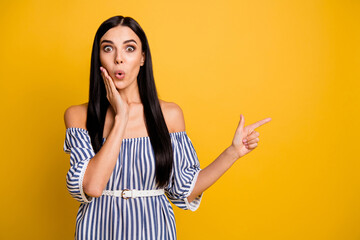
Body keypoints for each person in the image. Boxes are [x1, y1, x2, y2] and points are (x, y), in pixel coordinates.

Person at [63, 15, 271, 240]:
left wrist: (233, 152)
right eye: (108, 48)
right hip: (98, 230)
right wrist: (121, 117)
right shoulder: (79, 116)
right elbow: (93, 187)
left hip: (153, 230)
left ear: (143, 57)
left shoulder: (169, 115)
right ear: (99, 58)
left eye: (129, 49)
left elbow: (185, 190)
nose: (118, 59)